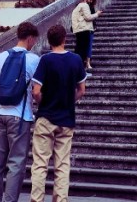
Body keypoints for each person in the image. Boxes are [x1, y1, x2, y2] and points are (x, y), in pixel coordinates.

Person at [29, 24, 87, 202]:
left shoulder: (46, 60)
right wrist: (69, 101)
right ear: (64, 39)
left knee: (40, 163)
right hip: (66, 118)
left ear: (49, 41)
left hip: (46, 117)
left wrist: (43, 103)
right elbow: (82, 90)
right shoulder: (76, 59)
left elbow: (36, 91)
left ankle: (37, 200)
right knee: (62, 165)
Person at [0, 21, 41, 202]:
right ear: (30, 38)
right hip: (20, 116)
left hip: (0, 114)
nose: (34, 44)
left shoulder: (1, 56)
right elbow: (36, 90)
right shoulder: (33, 59)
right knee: (16, 164)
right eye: (34, 40)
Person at [70, 0, 101, 71]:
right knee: (83, 50)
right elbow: (88, 17)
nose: (91, 1)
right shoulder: (84, 5)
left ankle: (77, 68)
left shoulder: (78, 6)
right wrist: (97, 14)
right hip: (84, 30)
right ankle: (80, 69)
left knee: (79, 49)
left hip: (79, 30)